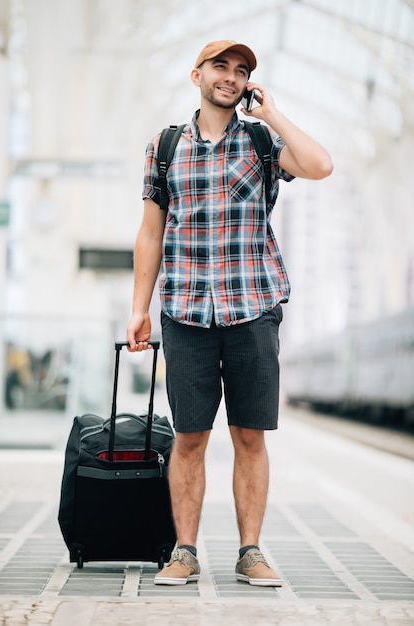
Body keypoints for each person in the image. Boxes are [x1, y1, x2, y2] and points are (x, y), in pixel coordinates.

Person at [127, 40, 333, 586]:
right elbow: (151, 233)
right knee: (190, 437)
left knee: (249, 436)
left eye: (242, 71)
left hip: (253, 308)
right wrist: (138, 310)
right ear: (197, 74)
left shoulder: (263, 141)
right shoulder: (166, 146)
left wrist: (272, 113)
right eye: (222, 66)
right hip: (186, 310)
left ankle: (251, 552)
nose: (232, 77)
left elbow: (321, 165)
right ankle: (184, 551)